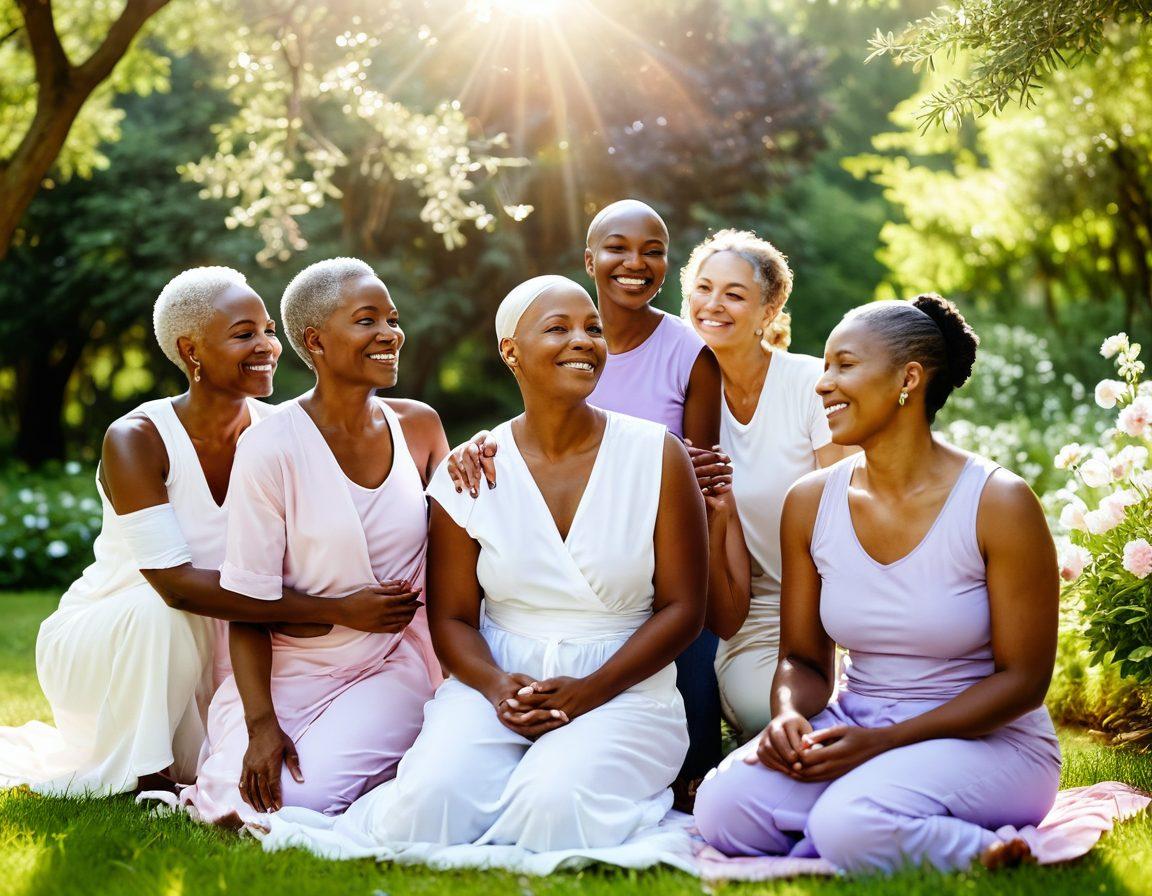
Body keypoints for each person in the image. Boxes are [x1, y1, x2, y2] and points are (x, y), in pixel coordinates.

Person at [259, 275, 706, 857]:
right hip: (496, 679)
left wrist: (588, 692)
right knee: (428, 806)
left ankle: (584, 780)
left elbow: (684, 608)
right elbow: (451, 620)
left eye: (592, 329)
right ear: (510, 351)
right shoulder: (473, 470)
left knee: (553, 807)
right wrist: (497, 689)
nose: (583, 340)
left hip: (623, 683)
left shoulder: (656, 453)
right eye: (558, 328)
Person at [0, 267, 406, 797]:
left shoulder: (278, 433)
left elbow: (375, 432)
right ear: (190, 350)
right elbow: (175, 586)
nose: (268, 346)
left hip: (230, 636)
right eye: (244, 334)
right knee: (163, 613)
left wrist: (479, 451)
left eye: (267, 331)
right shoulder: (137, 438)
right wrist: (332, 609)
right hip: (124, 637)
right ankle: (145, 775)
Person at [693, 295, 1062, 873]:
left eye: (844, 365)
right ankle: (874, 826)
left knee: (850, 822)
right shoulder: (810, 502)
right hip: (859, 723)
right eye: (825, 368)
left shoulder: (998, 502)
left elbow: (1025, 681)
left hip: (992, 743)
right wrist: (790, 715)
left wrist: (889, 743)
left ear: (908, 379)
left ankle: (987, 853)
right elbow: (802, 660)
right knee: (725, 810)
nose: (823, 384)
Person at [448, 200, 730, 798]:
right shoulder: (554, 326)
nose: (635, 263)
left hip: (646, 546)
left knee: (683, 632)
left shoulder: (686, 355)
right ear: (589, 260)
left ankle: (685, 768)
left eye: (653, 251)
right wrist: (482, 447)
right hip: (546, 563)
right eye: (618, 248)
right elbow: (532, 424)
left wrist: (666, 477)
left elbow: (700, 467)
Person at [178, 258, 445, 826]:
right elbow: (246, 601)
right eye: (367, 320)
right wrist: (261, 724)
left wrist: (483, 454)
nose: (389, 334)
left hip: (389, 665)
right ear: (315, 340)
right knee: (237, 800)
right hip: (283, 671)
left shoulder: (419, 427)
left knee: (295, 803)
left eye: (392, 319)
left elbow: (470, 523)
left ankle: (405, 761)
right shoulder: (270, 447)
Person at [682, 229, 854, 740]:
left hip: (831, 603)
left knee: (841, 721)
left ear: (770, 308)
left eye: (734, 294)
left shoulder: (809, 384)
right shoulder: (676, 390)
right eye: (703, 288)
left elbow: (845, 512)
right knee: (772, 722)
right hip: (748, 618)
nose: (713, 305)